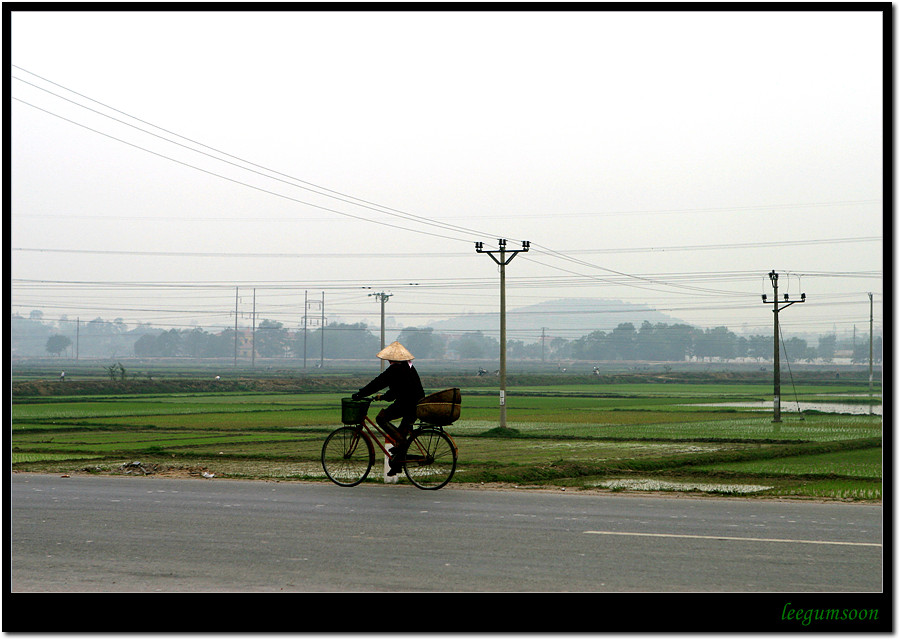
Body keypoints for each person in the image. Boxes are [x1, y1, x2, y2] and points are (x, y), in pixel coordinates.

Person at [352, 341, 424, 475]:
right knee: (402, 432)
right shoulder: (408, 365)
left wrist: (361, 394)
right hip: (416, 402)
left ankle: (401, 443)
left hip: (407, 403)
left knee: (381, 418)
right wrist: (385, 396)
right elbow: (399, 388)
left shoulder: (396, 369)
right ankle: (397, 465)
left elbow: (378, 383)